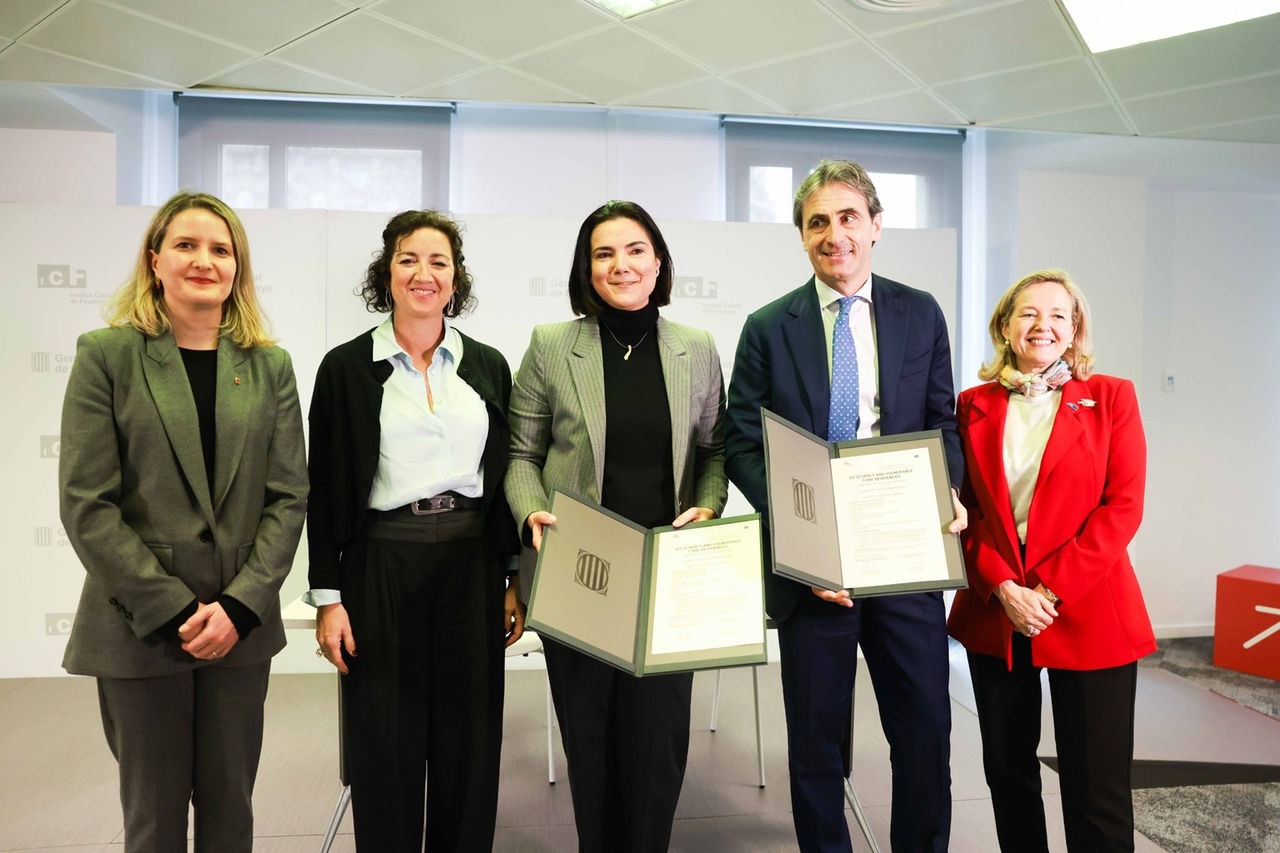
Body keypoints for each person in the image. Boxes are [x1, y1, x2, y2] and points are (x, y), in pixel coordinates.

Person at [724, 159, 965, 853]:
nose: (836, 234)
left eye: (848, 216)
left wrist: (945, 485)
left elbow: (943, 420)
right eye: (818, 222)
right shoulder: (770, 326)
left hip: (905, 558)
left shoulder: (919, 311)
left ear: (876, 224)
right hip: (813, 570)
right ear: (803, 237)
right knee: (816, 745)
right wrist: (798, 529)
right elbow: (741, 441)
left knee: (925, 734)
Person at [58, 191, 308, 852]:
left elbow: (287, 498)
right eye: (187, 245)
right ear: (155, 259)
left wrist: (241, 605)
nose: (205, 260)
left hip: (239, 631)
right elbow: (87, 501)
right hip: (141, 627)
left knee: (232, 813)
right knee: (155, 820)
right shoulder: (107, 354)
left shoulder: (269, 365)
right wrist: (173, 609)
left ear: (237, 268)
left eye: (221, 249)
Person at [505, 200, 727, 852]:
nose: (620, 264)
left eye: (634, 250)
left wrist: (709, 505)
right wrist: (528, 509)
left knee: (658, 750)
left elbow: (714, 449)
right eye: (604, 253)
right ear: (586, 268)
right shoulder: (553, 345)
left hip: (668, 576)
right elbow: (519, 454)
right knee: (592, 742)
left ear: (658, 262)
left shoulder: (696, 348)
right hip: (580, 569)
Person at [307, 209, 523, 852]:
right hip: (382, 563)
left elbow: (508, 472)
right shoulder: (345, 368)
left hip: (470, 563)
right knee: (385, 741)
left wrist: (511, 576)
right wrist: (328, 595)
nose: (423, 274)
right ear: (387, 272)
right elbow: (322, 488)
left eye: (438, 262)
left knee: (470, 739)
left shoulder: (486, 365)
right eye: (409, 259)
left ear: (455, 280)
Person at [947, 269, 1155, 852]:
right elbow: (962, 514)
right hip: (999, 610)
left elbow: (1123, 508)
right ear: (1006, 327)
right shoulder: (972, 405)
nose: (1043, 325)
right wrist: (1007, 589)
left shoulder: (1113, 396)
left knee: (1097, 788)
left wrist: (1050, 591)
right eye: (1029, 314)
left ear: (1075, 329)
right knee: (1009, 775)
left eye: (1058, 315)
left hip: (1090, 610)